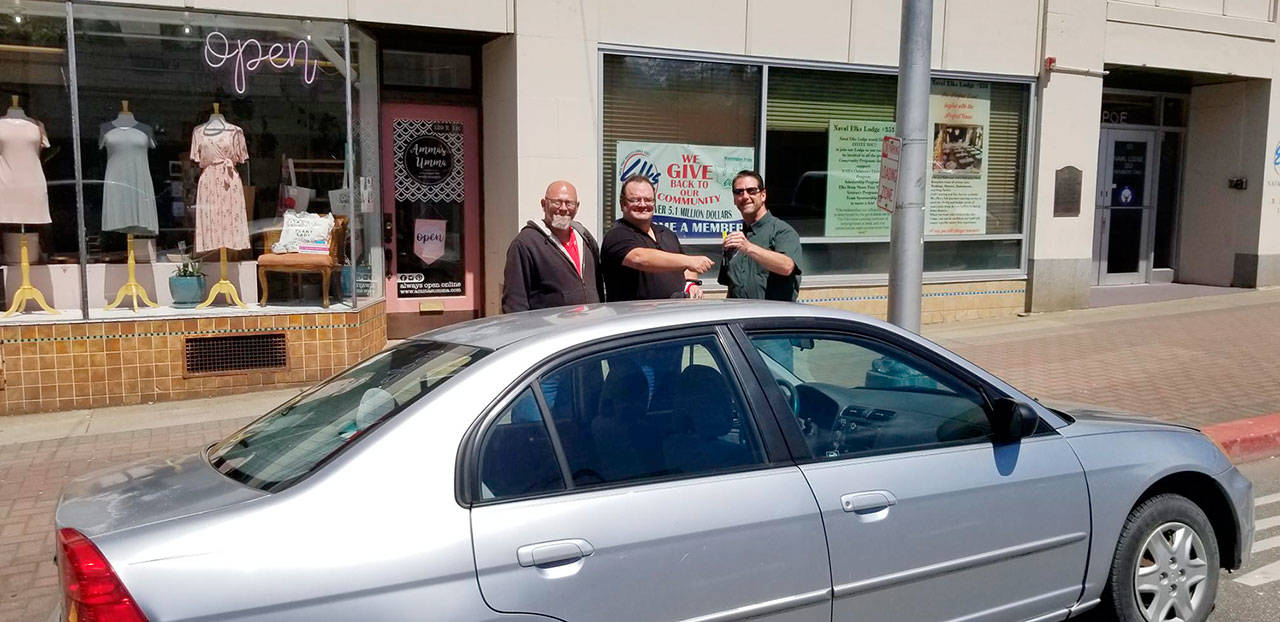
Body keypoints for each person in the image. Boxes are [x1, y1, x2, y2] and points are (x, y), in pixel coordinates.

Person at [602, 173, 713, 301]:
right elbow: (640, 258)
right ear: (622, 204)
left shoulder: (666, 233)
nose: (643, 205)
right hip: (634, 318)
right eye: (635, 200)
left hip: (673, 315)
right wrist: (689, 260)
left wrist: (690, 284)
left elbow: (687, 268)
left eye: (648, 199)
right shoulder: (617, 234)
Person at [501, 180, 604, 313]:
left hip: (587, 329)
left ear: (577, 206)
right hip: (551, 332)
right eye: (557, 202)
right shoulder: (525, 244)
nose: (563, 208)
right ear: (544, 204)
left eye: (569, 203)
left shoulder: (585, 239)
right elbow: (514, 303)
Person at [718, 170, 803, 301]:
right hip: (740, 316)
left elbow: (787, 267)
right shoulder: (736, 238)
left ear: (763, 195)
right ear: (734, 199)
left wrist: (748, 248)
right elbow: (732, 287)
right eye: (739, 192)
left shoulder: (782, 231)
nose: (745, 196)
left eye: (751, 191)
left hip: (772, 318)